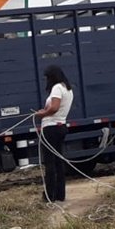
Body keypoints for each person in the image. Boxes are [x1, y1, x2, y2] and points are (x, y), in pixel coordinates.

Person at [33, 65, 74, 203]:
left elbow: (55, 107)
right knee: (58, 161)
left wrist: (42, 114)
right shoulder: (68, 89)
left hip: (50, 127)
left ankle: (50, 195)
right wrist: (45, 110)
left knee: (49, 162)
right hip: (61, 125)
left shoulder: (56, 88)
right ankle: (60, 194)